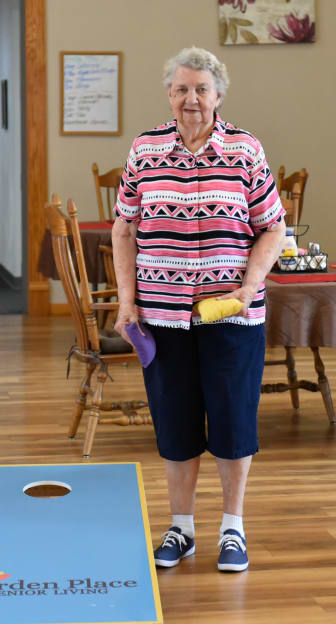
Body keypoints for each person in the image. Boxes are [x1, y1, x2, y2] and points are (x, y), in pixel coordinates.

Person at [112, 47, 286, 572]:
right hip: (162, 318)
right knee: (176, 425)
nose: (192, 99)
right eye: (182, 89)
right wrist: (127, 301)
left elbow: (274, 226)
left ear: (218, 95)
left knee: (234, 425)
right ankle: (181, 528)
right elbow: (124, 228)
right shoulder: (145, 150)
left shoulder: (245, 150)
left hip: (231, 315)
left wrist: (248, 286)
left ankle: (232, 528)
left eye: (202, 89)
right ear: (169, 94)